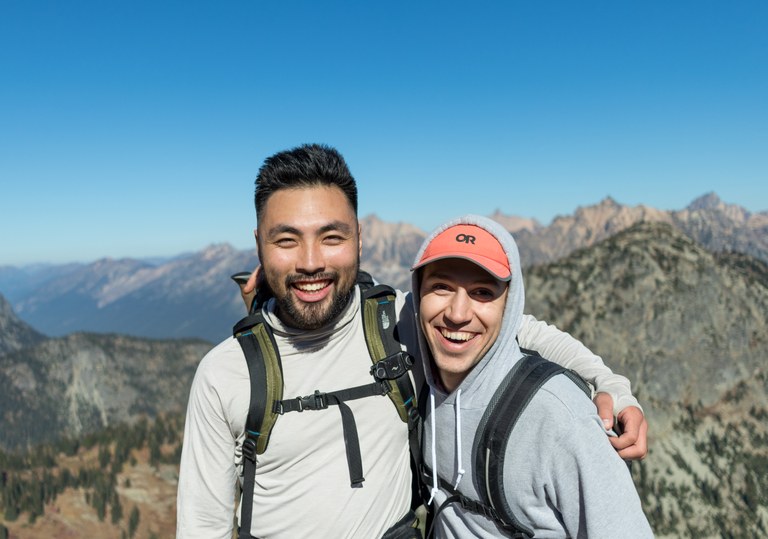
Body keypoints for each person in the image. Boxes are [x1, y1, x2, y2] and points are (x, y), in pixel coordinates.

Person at [177, 144, 646, 538]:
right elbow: (202, 524)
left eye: (331, 237)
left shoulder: (395, 322)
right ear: (259, 244)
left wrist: (609, 384)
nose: (310, 261)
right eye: (287, 241)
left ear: (360, 240)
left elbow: (518, 329)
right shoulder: (225, 375)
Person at [412, 215, 653, 538]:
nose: (457, 314)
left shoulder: (560, 420)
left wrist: (611, 386)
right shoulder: (410, 342)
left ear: (509, 307)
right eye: (440, 287)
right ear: (417, 294)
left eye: (482, 292)